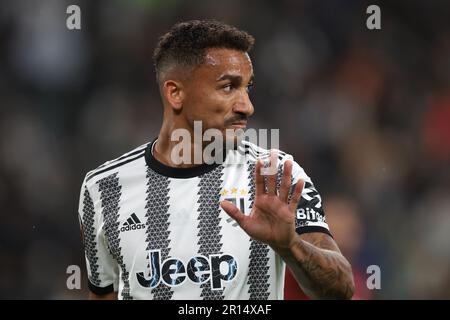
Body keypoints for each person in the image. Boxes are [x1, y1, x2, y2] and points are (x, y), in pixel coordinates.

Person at [78, 20, 354, 300]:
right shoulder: (103, 188)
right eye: (228, 87)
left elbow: (341, 290)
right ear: (175, 93)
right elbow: (104, 295)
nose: (247, 106)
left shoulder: (275, 174)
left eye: (247, 88)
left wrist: (290, 246)